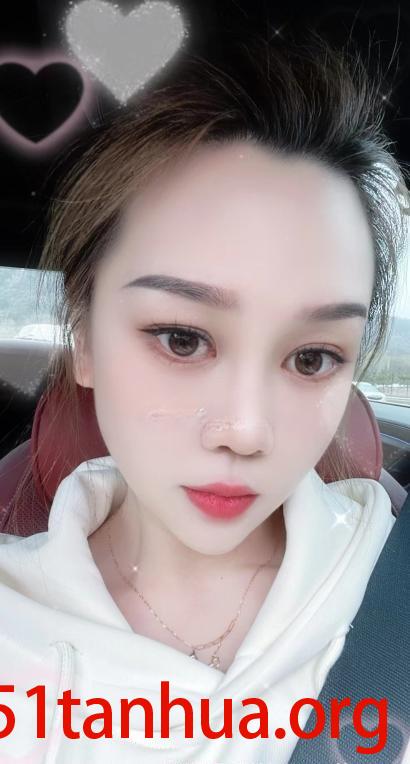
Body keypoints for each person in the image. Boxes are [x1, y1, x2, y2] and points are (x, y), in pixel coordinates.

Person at [0, 28, 408, 763]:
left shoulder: (391, 582)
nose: (245, 431)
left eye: (312, 357)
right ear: (84, 338)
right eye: (182, 339)